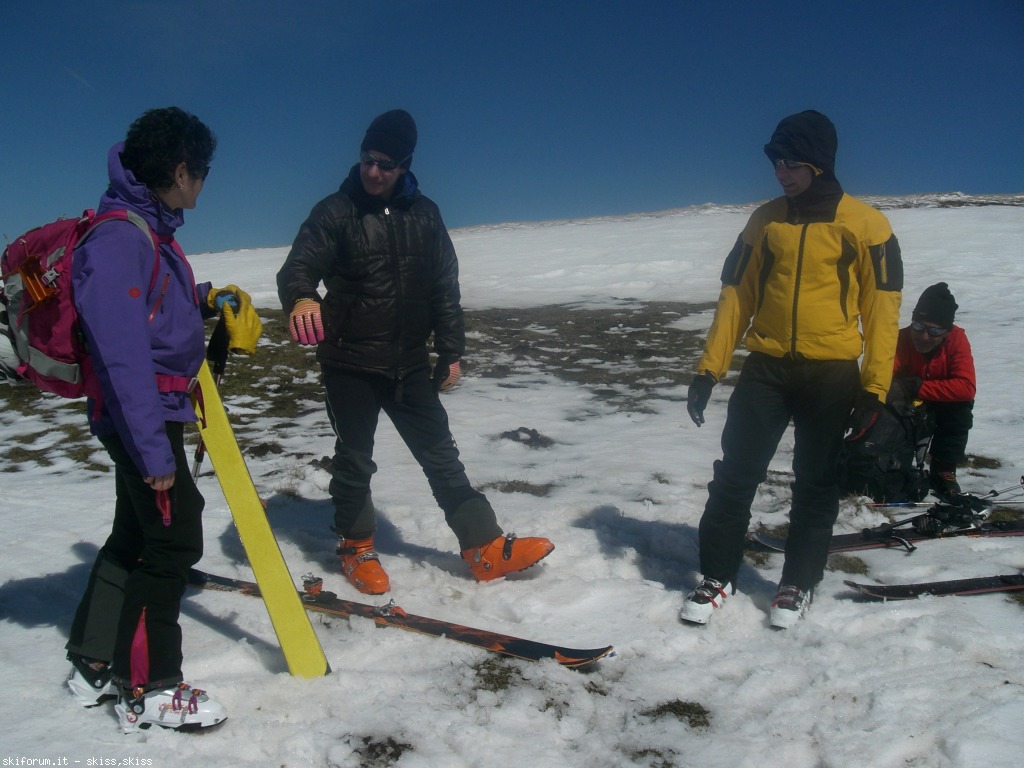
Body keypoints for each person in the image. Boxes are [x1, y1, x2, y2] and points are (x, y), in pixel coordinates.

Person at [276, 109, 553, 595]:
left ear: (405, 165)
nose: (374, 172)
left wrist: (450, 349)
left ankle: (484, 547)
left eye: (386, 163)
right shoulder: (335, 211)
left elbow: (444, 287)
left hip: (408, 363)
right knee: (355, 458)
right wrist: (301, 294)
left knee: (441, 455)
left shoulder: (425, 214)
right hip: (350, 363)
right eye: (368, 159)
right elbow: (298, 266)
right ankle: (356, 545)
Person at [64, 107, 262, 732]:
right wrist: (153, 454)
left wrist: (206, 300)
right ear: (180, 170)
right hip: (139, 417)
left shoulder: (148, 229)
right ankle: (148, 688)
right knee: (174, 539)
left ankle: (94, 661)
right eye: (201, 172)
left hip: (151, 412)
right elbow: (123, 358)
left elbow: (148, 310)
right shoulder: (122, 238)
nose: (204, 184)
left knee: (137, 535)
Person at [681, 110, 903, 629]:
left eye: (792, 163)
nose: (781, 173)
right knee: (735, 476)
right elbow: (736, 296)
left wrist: (875, 388)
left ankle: (797, 583)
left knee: (816, 482)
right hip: (767, 369)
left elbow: (883, 308)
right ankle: (717, 577)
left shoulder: (868, 225)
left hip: (832, 375)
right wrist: (708, 370)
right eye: (776, 163)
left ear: (819, 164)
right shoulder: (764, 220)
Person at [889, 282, 975, 498]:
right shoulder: (901, 339)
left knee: (960, 410)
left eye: (934, 331)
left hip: (939, 400)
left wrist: (919, 387)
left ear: (947, 331)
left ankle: (944, 470)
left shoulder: (957, 341)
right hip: (909, 401)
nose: (924, 336)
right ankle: (891, 465)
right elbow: (884, 376)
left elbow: (966, 387)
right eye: (918, 326)